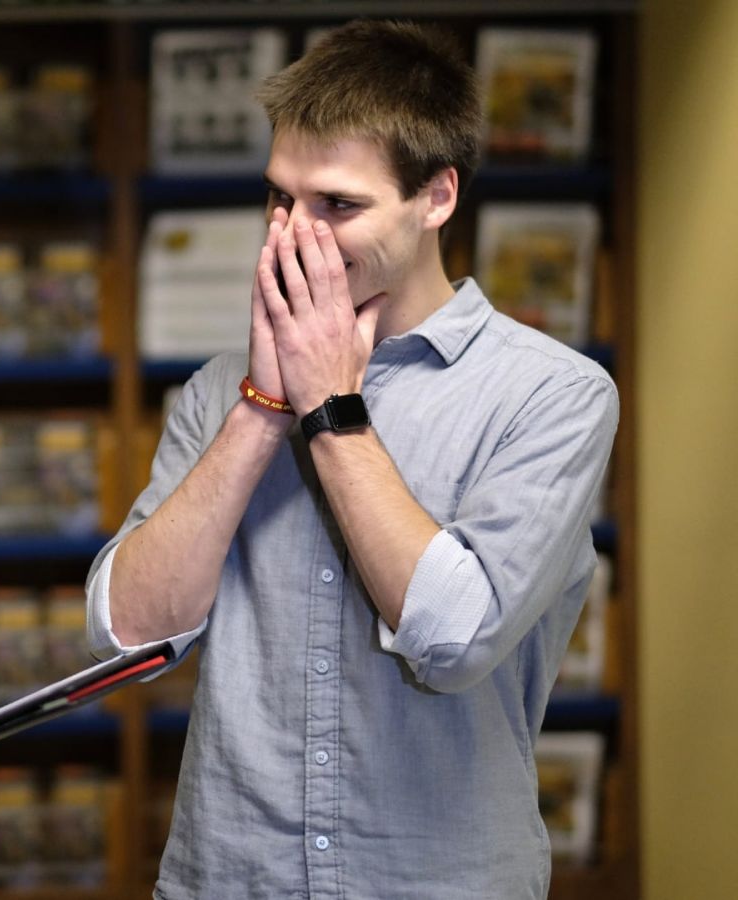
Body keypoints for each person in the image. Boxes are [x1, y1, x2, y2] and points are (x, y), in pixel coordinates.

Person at [85, 20, 618, 899]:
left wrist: (331, 409)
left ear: (437, 197)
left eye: (338, 205)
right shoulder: (221, 390)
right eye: (279, 199)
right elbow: (125, 638)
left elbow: (453, 639)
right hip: (228, 880)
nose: (295, 235)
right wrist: (263, 411)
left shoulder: (554, 396)